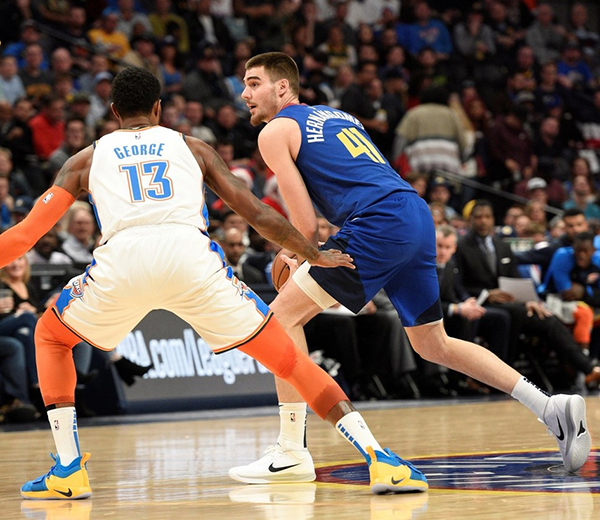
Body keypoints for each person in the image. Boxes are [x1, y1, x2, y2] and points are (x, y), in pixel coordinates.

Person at [0, 67, 420, 500]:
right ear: (159, 108)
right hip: (191, 260)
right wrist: (313, 253)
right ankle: (379, 457)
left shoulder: (84, 160)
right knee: (290, 361)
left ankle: (69, 469)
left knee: (51, 336)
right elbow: (257, 213)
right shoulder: (193, 147)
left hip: (123, 262)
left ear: (113, 112)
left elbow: (25, 236)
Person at [228, 51, 591, 485]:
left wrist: (289, 253)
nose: (245, 93)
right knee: (433, 343)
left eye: (254, 83)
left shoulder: (274, 132)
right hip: (414, 216)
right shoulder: (338, 116)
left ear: (282, 87)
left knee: (279, 320)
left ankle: (290, 450)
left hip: (377, 222)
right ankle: (549, 407)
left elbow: (305, 226)